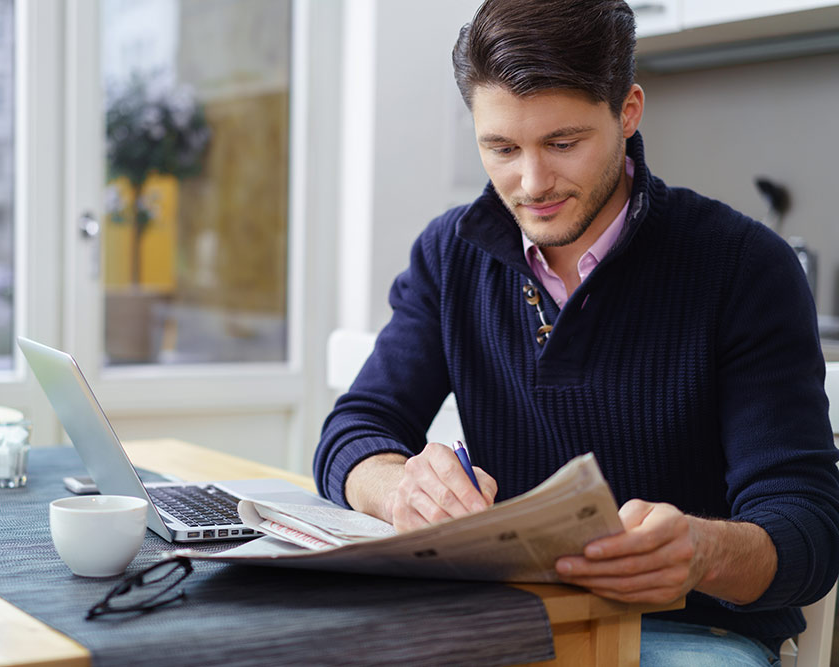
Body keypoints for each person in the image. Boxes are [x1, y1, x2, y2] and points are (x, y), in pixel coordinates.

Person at [312, 0, 839, 663]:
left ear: (628, 112)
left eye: (562, 143)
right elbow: (353, 431)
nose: (531, 184)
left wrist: (702, 552)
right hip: (501, 616)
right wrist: (402, 490)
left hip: (684, 630)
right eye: (501, 148)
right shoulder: (451, 253)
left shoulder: (744, 268)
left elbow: (809, 530)